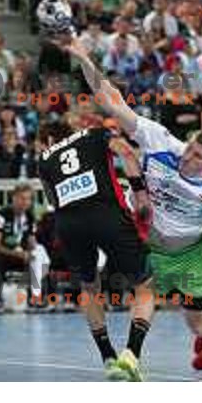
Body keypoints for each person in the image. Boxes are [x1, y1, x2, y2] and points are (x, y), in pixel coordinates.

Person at [64, 37, 202, 382]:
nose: (187, 158)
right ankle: (130, 357)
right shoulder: (163, 143)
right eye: (189, 150)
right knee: (145, 291)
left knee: (198, 322)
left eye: (197, 158)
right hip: (151, 243)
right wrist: (85, 58)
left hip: (189, 253)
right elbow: (112, 101)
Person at [37, 118, 154, 382]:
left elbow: (52, 199)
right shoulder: (95, 133)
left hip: (69, 224)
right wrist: (140, 195)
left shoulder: (44, 158)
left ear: (47, 140)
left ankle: (108, 358)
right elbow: (126, 152)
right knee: (145, 285)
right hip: (107, 215)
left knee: (89, 288)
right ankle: (131, 353)